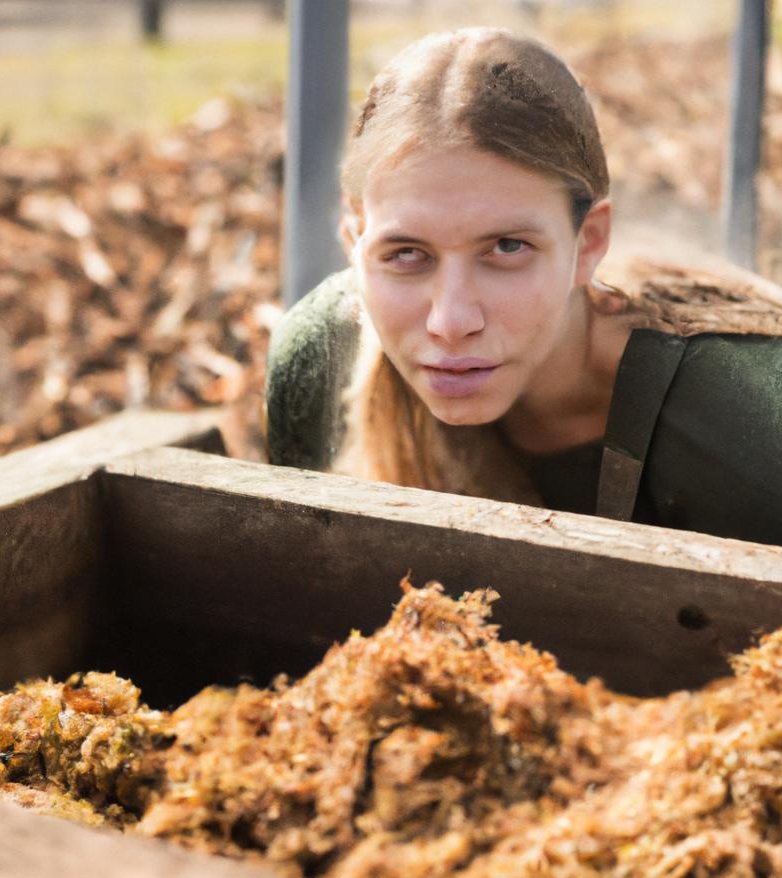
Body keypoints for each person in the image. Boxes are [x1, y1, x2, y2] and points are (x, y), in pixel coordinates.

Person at [266, 27, 782, 547]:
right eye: (405, 254)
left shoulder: (750, 432)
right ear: (355, 240)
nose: (450, 322)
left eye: (508, 247)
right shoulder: (321, 363)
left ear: (589, 242)